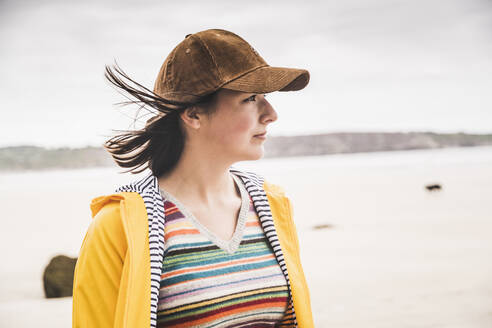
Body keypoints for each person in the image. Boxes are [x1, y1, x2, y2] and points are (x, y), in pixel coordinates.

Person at [72, 28, 314, 328]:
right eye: (251, 98)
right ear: (194, 115)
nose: (271, 113)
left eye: (266, 97)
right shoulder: (117, 226)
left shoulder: (274, 207)